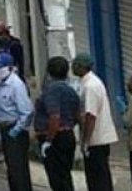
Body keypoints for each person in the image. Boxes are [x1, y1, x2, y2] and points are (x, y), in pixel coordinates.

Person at [34, 56, 81, 191]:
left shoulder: (51, 91)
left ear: (49, 72)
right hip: (67, 136)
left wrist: (49, 140)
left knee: (56, 178)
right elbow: (78, 115)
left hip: (55, 138)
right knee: (65, 175)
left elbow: (54, 117)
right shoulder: (71, 91)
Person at [73, 52, 118, 191]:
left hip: (95, 139)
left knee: (97, 178)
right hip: (98, 138)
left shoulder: (90, 86)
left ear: (82, 67)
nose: (73, 68)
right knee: (100, 175)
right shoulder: (89, 82)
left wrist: (85, 141)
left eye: (75, 65)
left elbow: (90, 116)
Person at [0, 53, 33, 191]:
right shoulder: (0, 83)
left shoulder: (16, 85)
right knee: (11, 168)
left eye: (0, 67)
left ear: (9, 68)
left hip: (15, 131)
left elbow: (27, 111)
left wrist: (16, 130)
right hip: (5, 130)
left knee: (18, 169)